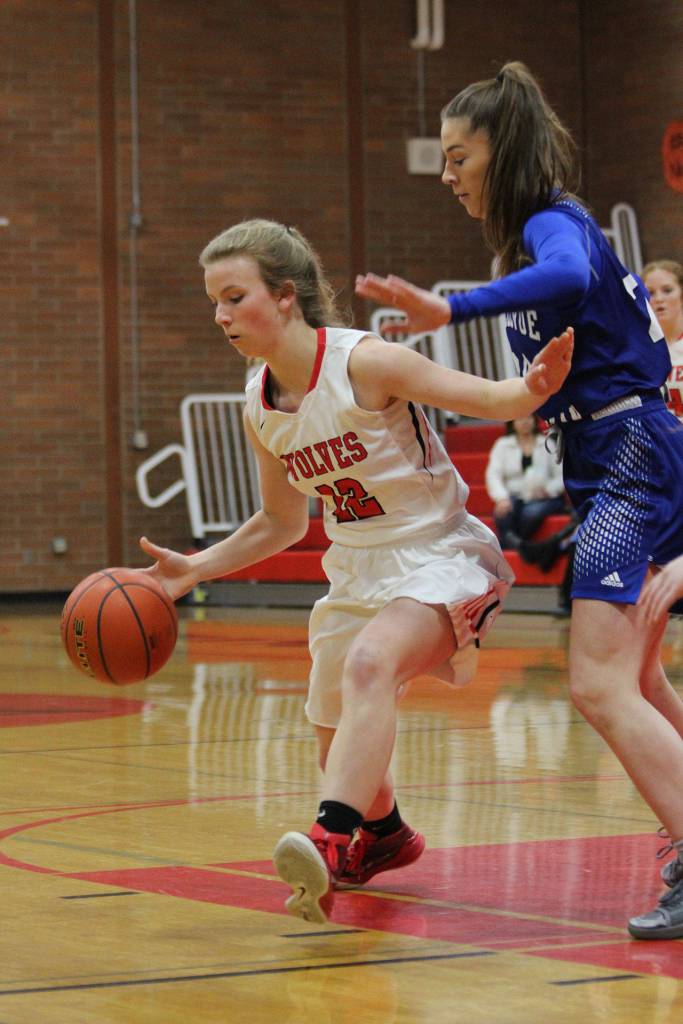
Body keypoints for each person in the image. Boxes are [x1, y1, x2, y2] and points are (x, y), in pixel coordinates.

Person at [138, 218, 573, 924]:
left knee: (370, 666)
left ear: (284, 297)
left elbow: (490, 401)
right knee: (332, 734)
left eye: (233, 296)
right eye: (213, 302)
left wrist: (531, 387)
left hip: (439, 552)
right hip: (356, 571)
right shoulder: (259, 403)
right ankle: (382, 834)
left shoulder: (364, 363)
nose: (220, 316)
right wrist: (197, 566)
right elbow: (281, 522)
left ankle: (327, 835)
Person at [355, 61, 683, 940]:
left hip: (624, 451)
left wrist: (451, 305)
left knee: (598, 684)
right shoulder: (542, 230)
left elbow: (570, 275)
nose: (448, 174)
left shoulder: (552, 223)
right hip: (613, 446)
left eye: (459, 155)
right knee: (640, 674)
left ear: (501, 150)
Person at [484, 414, 566, 549]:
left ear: (534, 421)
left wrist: (548, 490)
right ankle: (517, 547)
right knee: (503, 513)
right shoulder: (502, 445)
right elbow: (493, 475)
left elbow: (561, 475)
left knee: (530, 513)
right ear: (512, 422)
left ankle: (512, 546)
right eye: (520, 418)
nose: (525, 422)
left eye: (528, 418)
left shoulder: (547, 443)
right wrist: (501, 498)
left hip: (544, 496)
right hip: (514, 496)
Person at [642, 260, 683, 421]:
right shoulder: (640, 350)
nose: (658, 299)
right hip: (662, 442)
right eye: (650, 293)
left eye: (667, 290)